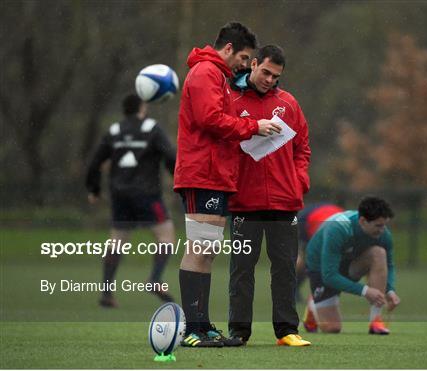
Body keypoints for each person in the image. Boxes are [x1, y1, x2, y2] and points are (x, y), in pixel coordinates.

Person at [174, 23, 281, 348]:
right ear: (230, 49)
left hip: (215, 173)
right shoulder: (206, 71)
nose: (245, 65)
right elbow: (210, 119)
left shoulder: (215, 74)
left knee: (208, 249)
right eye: (245, 57)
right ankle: (192, 329)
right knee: (200, 248)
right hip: (202, 172)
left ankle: (203, 326)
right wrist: (253, 127)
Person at [227, 45, 312, 346]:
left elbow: (302, 148)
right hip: (243, 203)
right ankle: (239, 331)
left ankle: (287, 331)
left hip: (284, 201)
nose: (269, 80)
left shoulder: (288, 103)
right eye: (265, 72)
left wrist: (298, 179)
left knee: (285, 269)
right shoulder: (232, 100)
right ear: (252, 65)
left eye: (275, 76)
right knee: (242, 270)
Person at [86, 94, 176, 308]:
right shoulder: (152, 128)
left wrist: (94, 188)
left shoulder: (115, 131)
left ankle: (107, 292)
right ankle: (155, 279)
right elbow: (171, 156)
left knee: (117, 242)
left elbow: (95, 162)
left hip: (120, 195)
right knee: (166, 237)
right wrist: (176, 177)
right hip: (147, 194)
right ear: (142, 107)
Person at [303, 196, 401, 334]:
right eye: (378, 225)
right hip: (321, 269)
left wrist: (390, 290)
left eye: (384, 225)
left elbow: (389, 264)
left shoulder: (383, 234)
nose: (382, 230)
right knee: (332, 328)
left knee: (379, 253)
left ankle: (376, 320)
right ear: (362, 221)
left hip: (348, 264)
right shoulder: (338, 229)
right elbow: (329, 275)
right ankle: (313, 306)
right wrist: (365, 291)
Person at [296, 203, 345, 302]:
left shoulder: (346, 230)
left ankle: (294, 289)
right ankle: (289, 288)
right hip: (306, 219)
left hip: (326, 213)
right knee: (301, 259)